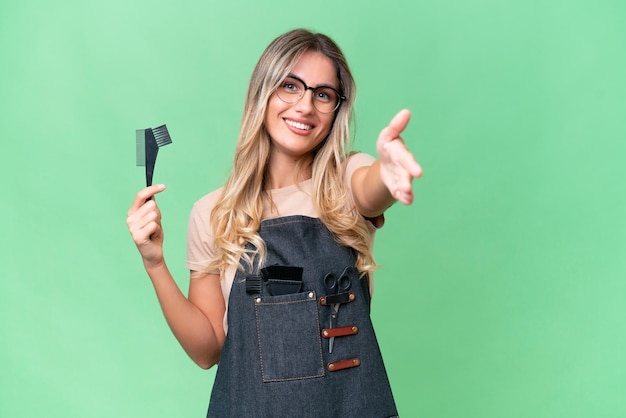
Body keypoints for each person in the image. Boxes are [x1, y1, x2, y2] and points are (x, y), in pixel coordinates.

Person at [127, 28, 422, 417]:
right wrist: (154, 263)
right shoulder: (213, 213)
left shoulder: (343, 184)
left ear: (336, 108)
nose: (304, 106)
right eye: (290, 86)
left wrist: (387, 170)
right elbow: (207, 348)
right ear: (262, 93)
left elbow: (369, 187)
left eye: (322, 94)